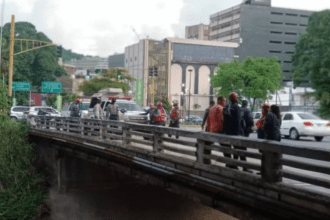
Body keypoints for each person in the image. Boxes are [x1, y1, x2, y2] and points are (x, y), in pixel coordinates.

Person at [222, 92, 242, 171]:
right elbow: (238, 121)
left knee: (227, 148)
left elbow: (223, 119)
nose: (238, 99)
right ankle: (234, 164)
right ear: (235, 99)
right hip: (234, 132)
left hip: (226, 131)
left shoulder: (226, 106)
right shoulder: (237, 107)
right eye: (237, 98)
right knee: (236, 149)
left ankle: (228, 163)